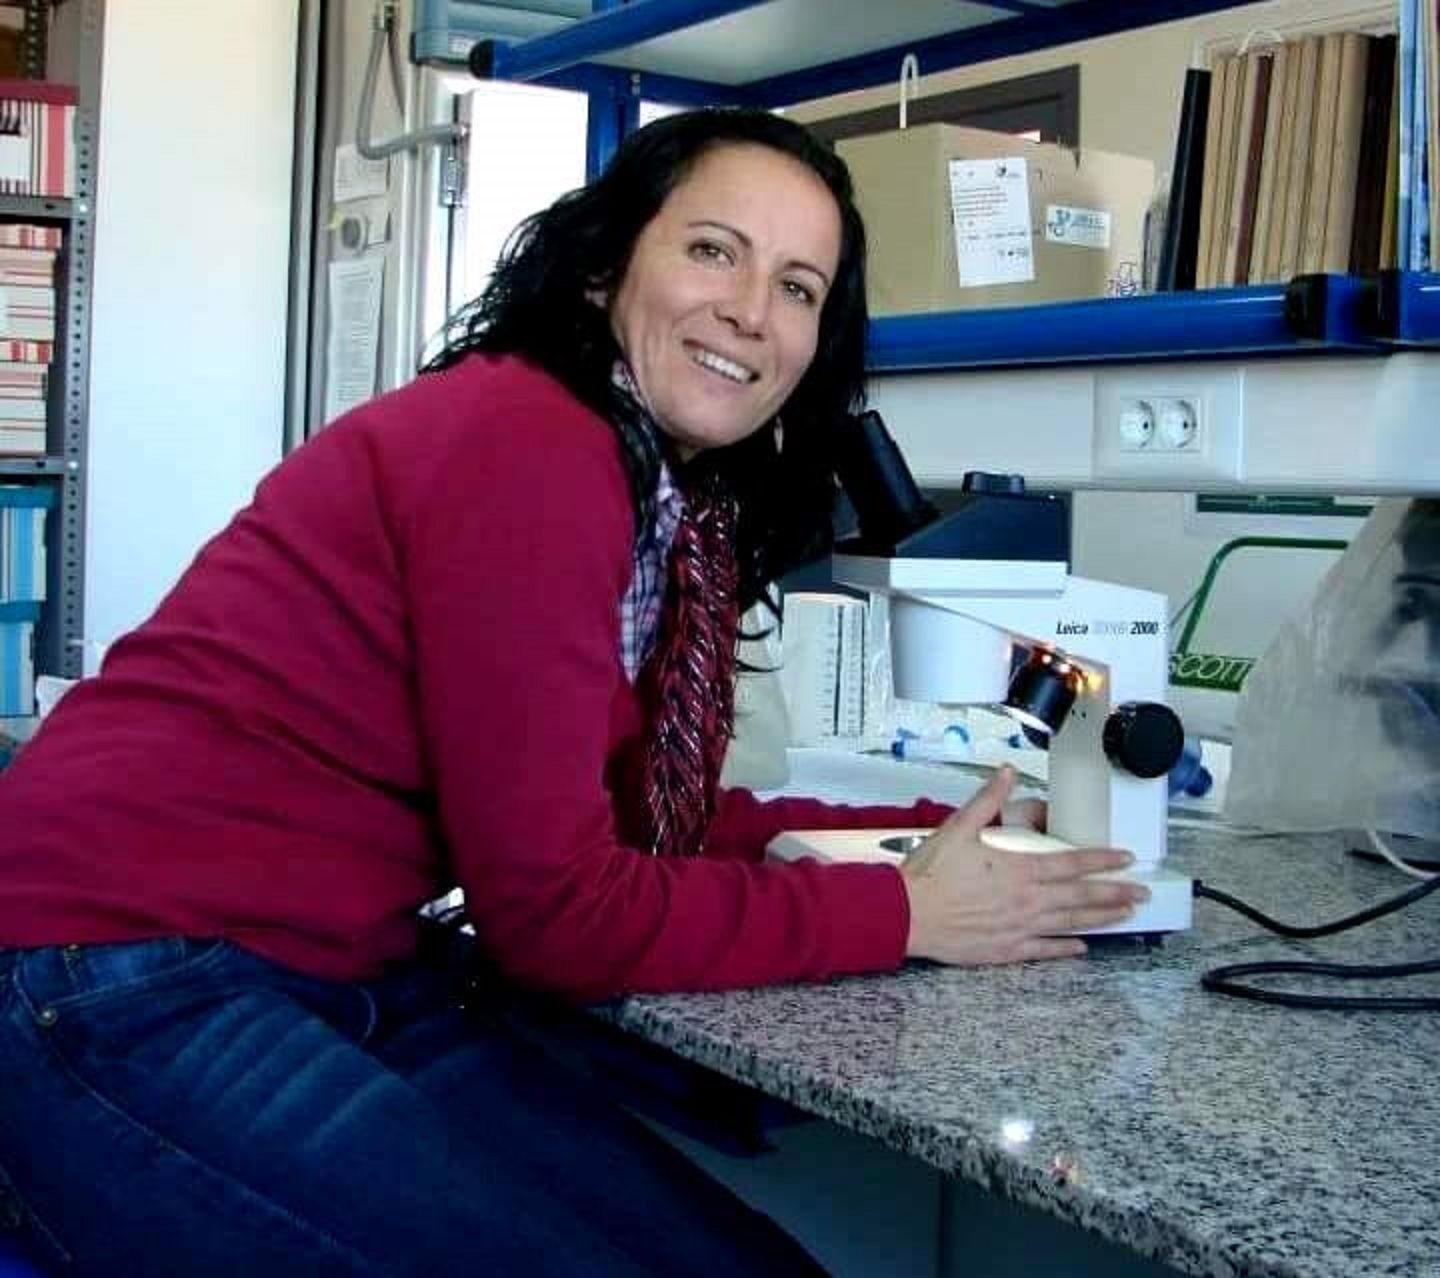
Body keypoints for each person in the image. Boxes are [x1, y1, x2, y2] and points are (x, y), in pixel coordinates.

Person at [0, 108, 1145, 1277]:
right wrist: (906, 913)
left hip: (323, 965)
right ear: (604, 268)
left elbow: (640, 824)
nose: (753, 309)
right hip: (106, 970)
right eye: (714, 250)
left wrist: (941, 838)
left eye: (799, 287)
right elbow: (556, 912)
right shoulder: (531, 448)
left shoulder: (653, 509)